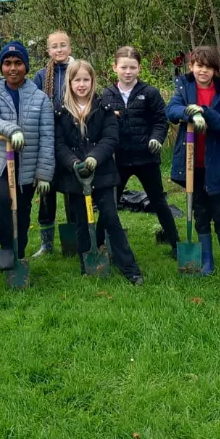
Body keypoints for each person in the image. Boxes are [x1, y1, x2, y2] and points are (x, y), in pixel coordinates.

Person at [56, 60, 144, 285]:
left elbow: (110, 137)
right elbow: (59, 144)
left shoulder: (103, 107)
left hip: (102, 172)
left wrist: (95, 157)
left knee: (111, 217)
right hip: (75, 174)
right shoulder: (61, 111)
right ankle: (87, 264)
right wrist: (73, 162)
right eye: (77, 80)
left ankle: (129, 268)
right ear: (70, 82)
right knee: (82, 222)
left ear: (93, 82)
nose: (82, 84)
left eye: (86, 80)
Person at [166, 46, 220, 277]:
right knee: (199, 210)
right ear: (191, 66)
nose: (203, 71)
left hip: (216, 162)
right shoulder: (184, 87)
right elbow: (172, 110)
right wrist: (191, 113)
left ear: (215, 70)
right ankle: (206, 260)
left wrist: (205, 111)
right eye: (199, 66)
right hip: (192, 164)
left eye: (208, 67)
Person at [0, 41, 55, 270]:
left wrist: (44, 174)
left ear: (26, 66)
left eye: (18, 63)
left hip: (28, 164)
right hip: (0, 162)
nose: (13, 68)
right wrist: (11, 129)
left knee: (22, 212)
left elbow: (47, 137)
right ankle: (5, 244)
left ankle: (18, 255)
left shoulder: (40, 98)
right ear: (2, 67)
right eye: (7, 63)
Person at [101, 46, 177, 257]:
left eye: (132, 67)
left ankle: (176, 245)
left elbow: (161, 121)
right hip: (119, 160)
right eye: (123, 67)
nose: (128, 71)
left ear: (139, 69)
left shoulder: (149, 93)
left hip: (146, 158)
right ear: (114, 67)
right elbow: (100, 124)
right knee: (110, 203)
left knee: (159, 202)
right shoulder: (107, 95)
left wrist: (156, 138)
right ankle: (98, 244)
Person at [32, 30, 76, 256]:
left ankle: (74, 240)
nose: (59, 49)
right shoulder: (41, 76)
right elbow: (33, 104)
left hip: (72, 140)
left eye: (63, 45)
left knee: (71, 190)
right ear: (48, 51)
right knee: (46, 191)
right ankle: (46, 244)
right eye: (54, 46)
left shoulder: (78, 70)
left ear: (70, 47)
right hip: (47, 140)